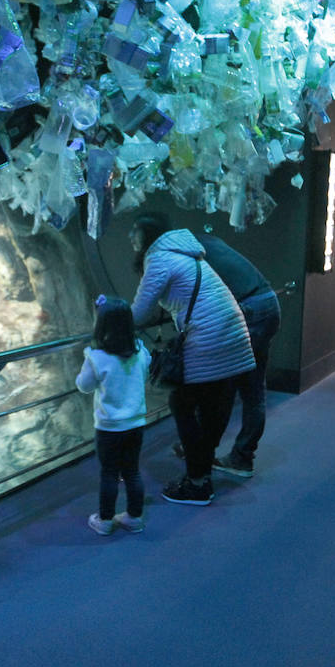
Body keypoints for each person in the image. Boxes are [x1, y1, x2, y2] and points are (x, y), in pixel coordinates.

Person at [130, 214, 256, 506]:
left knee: (182, 403)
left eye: (133, 234)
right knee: (215, 405)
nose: (130, 241)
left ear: (147, 236)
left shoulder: (159, 258)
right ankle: (202, 471)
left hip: (210, 337)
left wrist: (109, 317)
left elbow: (139, 312)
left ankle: (197, 482)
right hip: (233, 333)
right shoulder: (186, 252)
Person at [195, 230, 280, 478]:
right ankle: (241, 456)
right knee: (254, 391)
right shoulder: (211, 242)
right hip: (268, 304)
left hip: (249, 311)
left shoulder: (193, 257)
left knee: (222, 388)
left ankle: (204, 451)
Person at [75, 296, 151, 535]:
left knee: (109, 473)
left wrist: (88, 358)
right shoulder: (140, 351)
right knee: (132, 471)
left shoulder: (97, 357)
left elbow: (83, 385)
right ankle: (134, 517)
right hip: (136, 423)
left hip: (109, 428)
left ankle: (105, 520)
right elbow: (144, 374)